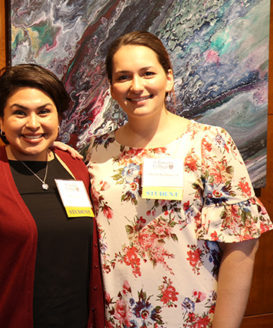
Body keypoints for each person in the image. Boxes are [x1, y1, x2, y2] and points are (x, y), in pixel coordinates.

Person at [85, 31, 273, 327]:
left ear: (168, 78)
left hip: (192, 316)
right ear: (111, 88)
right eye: (123, 77)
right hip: (115, 319)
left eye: (148, 73)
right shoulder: (98, 150)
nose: (136, 86)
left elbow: (241, 243)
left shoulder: (209, 143)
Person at [0, 64, 104, 328]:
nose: (33, 124)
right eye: (19, 113)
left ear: (59, 117)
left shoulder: (75, 167)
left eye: (44, 112)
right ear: (0, 119)